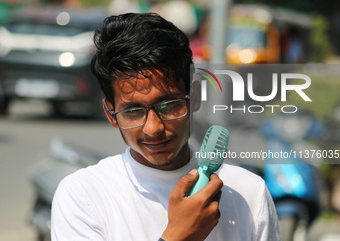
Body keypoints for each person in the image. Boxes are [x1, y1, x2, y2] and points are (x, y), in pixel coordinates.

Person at [51, 13, 281, 241]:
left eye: (168, 105)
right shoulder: (83, 197)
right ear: (111, 115)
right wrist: (179, 236)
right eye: (133, 111)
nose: (153, 128)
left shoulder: (248, 193)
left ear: (196, 97)